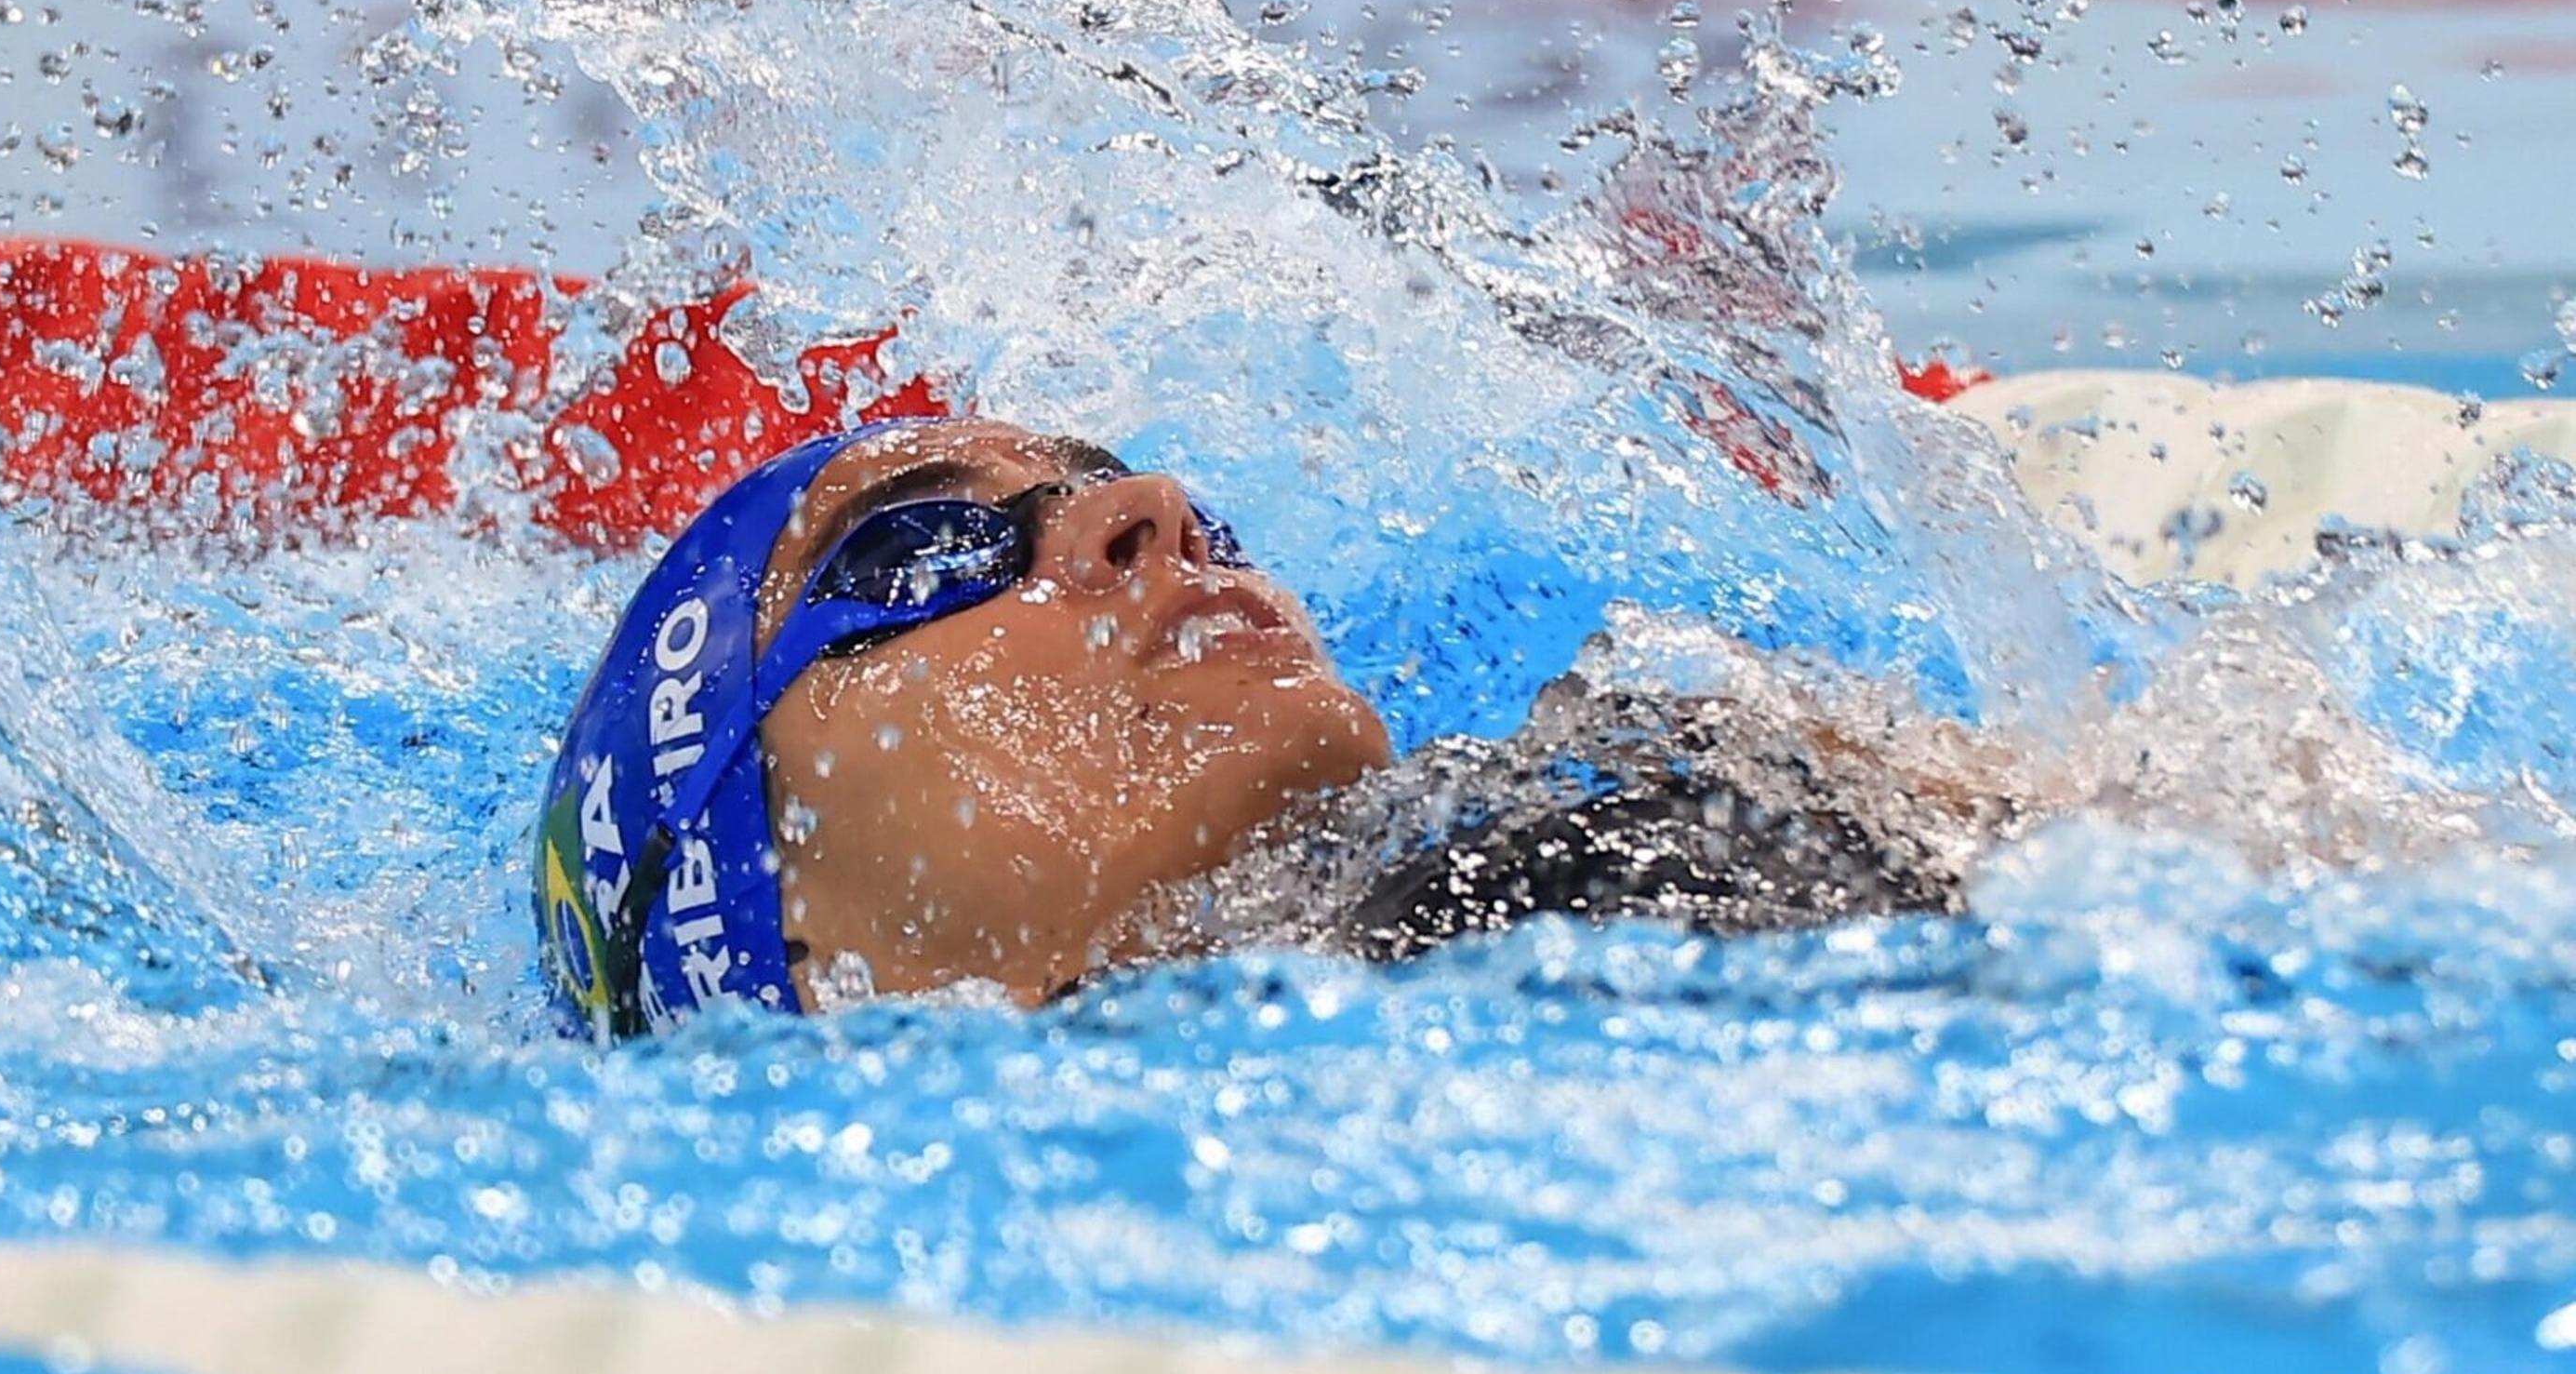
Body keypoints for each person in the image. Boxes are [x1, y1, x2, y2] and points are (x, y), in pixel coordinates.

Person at [532, 418, 2001, 1040]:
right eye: (925, 544)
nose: (1148, 507)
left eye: (1102, 471)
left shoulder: (1628, 803)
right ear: (785, 950)